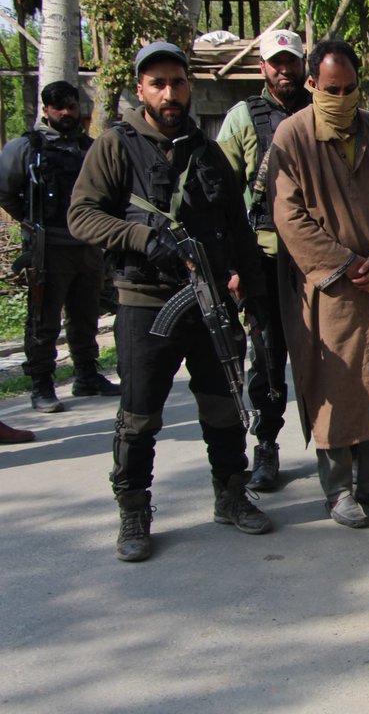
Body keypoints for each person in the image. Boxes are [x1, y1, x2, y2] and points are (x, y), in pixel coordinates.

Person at [68, 41, 272, 562]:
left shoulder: (206, 152)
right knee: (139, 415)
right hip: (145, 301)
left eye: (177, 82)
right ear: (141, 90)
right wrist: (141, 239)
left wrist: (251, 287)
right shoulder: (116, 145)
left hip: (209, 300)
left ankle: (230, 492)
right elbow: (82, 216)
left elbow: (238, 227)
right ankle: (133, 509)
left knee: (223, 403)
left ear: (189, 86)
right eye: (157, 83)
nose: (169, 92)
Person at [269, 39, 369, 529]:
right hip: (330, 289)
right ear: (312, 84)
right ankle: (338, 492)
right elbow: (289, 218)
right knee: (337, 387)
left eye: (351, 88)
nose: (343, 97)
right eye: (333, 89)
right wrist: (347, 262)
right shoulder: (291, 137)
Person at [216, 29, 310, 492]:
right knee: (268, 360)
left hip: (317, 259)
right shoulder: (242, 118)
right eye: (277, 62)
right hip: (265, 258)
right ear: (262, 67)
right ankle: (267, 447)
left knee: (329, 356)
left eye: (291, 61)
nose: (285, 69)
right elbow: (220, 195)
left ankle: (340, 445)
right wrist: (233, 265)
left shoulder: (320, 112)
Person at [0, 81, 120, 413]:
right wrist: (27, 222)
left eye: (71, 106)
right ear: (46, 110)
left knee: (86, 316)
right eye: (59, 108)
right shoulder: (27, 147)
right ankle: (42, 384)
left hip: (88, 246)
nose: (67, 113)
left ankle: (86, 375)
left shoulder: (90, 147)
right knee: (44, 319)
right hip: (48, 248)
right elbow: (6, 191)